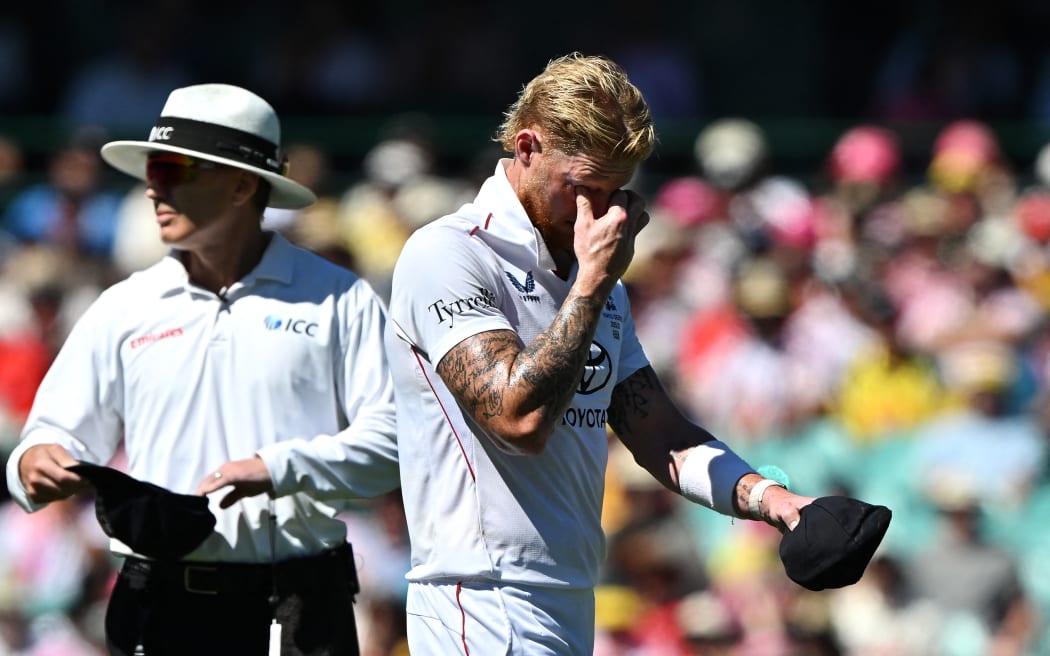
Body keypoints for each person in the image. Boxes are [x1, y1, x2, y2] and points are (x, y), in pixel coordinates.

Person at [382, 52, 817, 655]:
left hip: (568, 597)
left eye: (615, 192)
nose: (601, 213)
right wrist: (591, 284)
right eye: (582, 188)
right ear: (527, 146)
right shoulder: (449, 255)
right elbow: (518, 419)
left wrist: (775, 501)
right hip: (479, 600)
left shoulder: (589, 268)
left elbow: (660, 433)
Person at [5, 83, 400, 655]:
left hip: (299, 605)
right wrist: (34, 462)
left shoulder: (341, 299)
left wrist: (279, 466)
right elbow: (51, 435)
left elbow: (394, 444)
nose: (152, 187)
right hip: (156, 603)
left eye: (173, 169)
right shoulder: (123, 305)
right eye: (151, 169)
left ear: (243, 185)